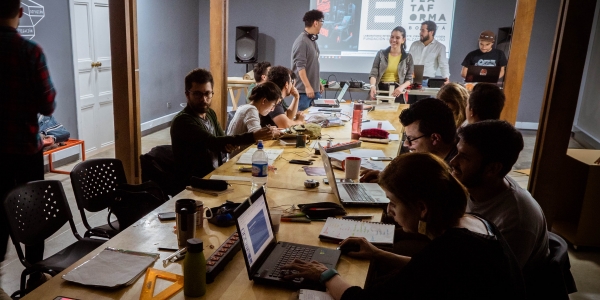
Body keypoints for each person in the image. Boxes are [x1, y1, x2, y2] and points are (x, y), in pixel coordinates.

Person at [282, 153, 526, 300]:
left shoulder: (451, 248)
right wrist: (378, 254)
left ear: (422, 208)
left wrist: (324, 274)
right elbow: (431, 270)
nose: (389, 211)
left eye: (393, 203)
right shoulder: (476, 223)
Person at [0, 0, 56, 294]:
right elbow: (47, 103)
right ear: (20, 11)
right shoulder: (30, 52)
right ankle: (35, 275)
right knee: (33, 217)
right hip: (25, 151)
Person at [449, 120, 549, 273]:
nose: (453, 161)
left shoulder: (516, 221)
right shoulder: (479, 185)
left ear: (493, 169)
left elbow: (488, 282)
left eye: (464, 157)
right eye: (457, 153)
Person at [170, 68, 274, 184]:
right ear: (187, 95)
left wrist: (226, 145)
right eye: (197, 94)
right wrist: (253, 136)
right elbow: (212, 141)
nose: (203, 99)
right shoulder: (183, 121)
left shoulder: (210, 113)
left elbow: (221, 139)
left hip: (215, 174)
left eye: (207, 93)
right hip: (195, 183)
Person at [360, 98, 457, 183]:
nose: (406, 144)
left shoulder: (455, 173)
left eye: (411, 139)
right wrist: (388, 179)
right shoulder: (437, 160)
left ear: (435, 138)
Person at [227, 81, 281, 157]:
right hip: (238, 160)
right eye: (273, 105)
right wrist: (271, 134)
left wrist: (268, 131)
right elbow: (259, 140)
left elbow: (255, 134)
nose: (272, 109)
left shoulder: (245, 107)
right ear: (264, 101)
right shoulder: (251, 110)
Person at [368, 26, 414, 103]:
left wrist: (401, 88)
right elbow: (374, 72)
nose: (394, 40)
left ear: (403, 40)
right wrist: (372, 86)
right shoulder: (381, 54)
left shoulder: (408, 57)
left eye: (397, 38)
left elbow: (409, 79)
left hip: (397, 91)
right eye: (392, 37)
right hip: (380, 90)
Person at [292, 9, 324, 111]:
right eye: (321, 22)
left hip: (314, 90)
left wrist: (318, 82)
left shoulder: (312, 40)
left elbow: (313, 65)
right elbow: (300, 67)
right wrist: (308, 86)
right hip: (304, 92)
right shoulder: (302, 42)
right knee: (302, 123)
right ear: (315, 23)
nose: (322, 25)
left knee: (317, 119)